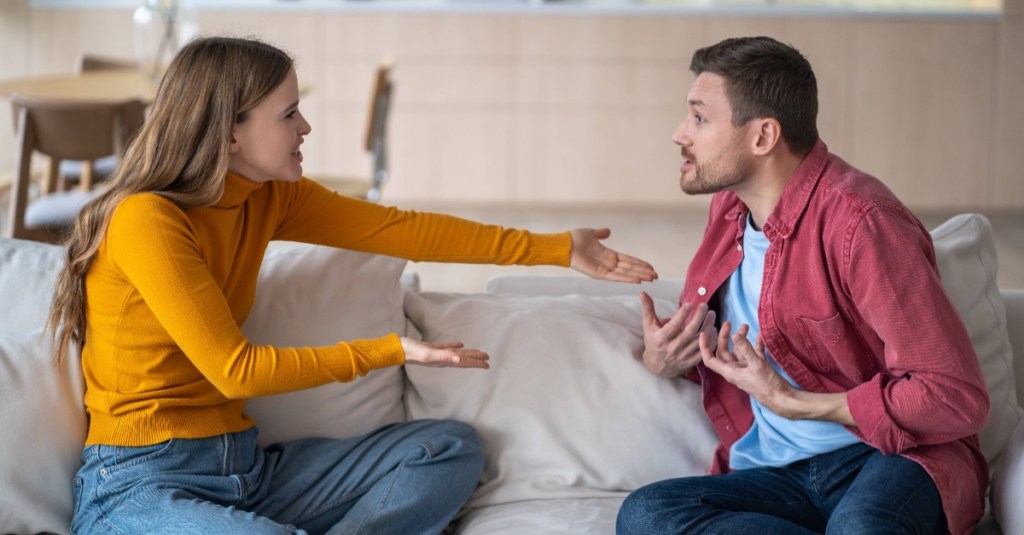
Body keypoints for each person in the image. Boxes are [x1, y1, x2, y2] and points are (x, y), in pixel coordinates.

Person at [46, 36, 657, 535]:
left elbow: (402, 229)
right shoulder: (146, 220)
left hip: (247, 470)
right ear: (231, 134)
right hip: (139, 486)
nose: (305, 125)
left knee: (446, 450)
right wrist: (386, 350)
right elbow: (239, 371)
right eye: (288, 114)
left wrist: (556, 249)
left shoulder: (269, 196)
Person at [616, 36, 989, 535]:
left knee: (860, 526)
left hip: (884, 456)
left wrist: (797, 404)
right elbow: (744, 350)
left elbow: (954, 397)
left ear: (763, 136)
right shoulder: (729, 211)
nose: (680, 134)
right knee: (646, 515)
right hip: (775, 475)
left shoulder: (862, 224)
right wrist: (664, 360)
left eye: (700, 118)